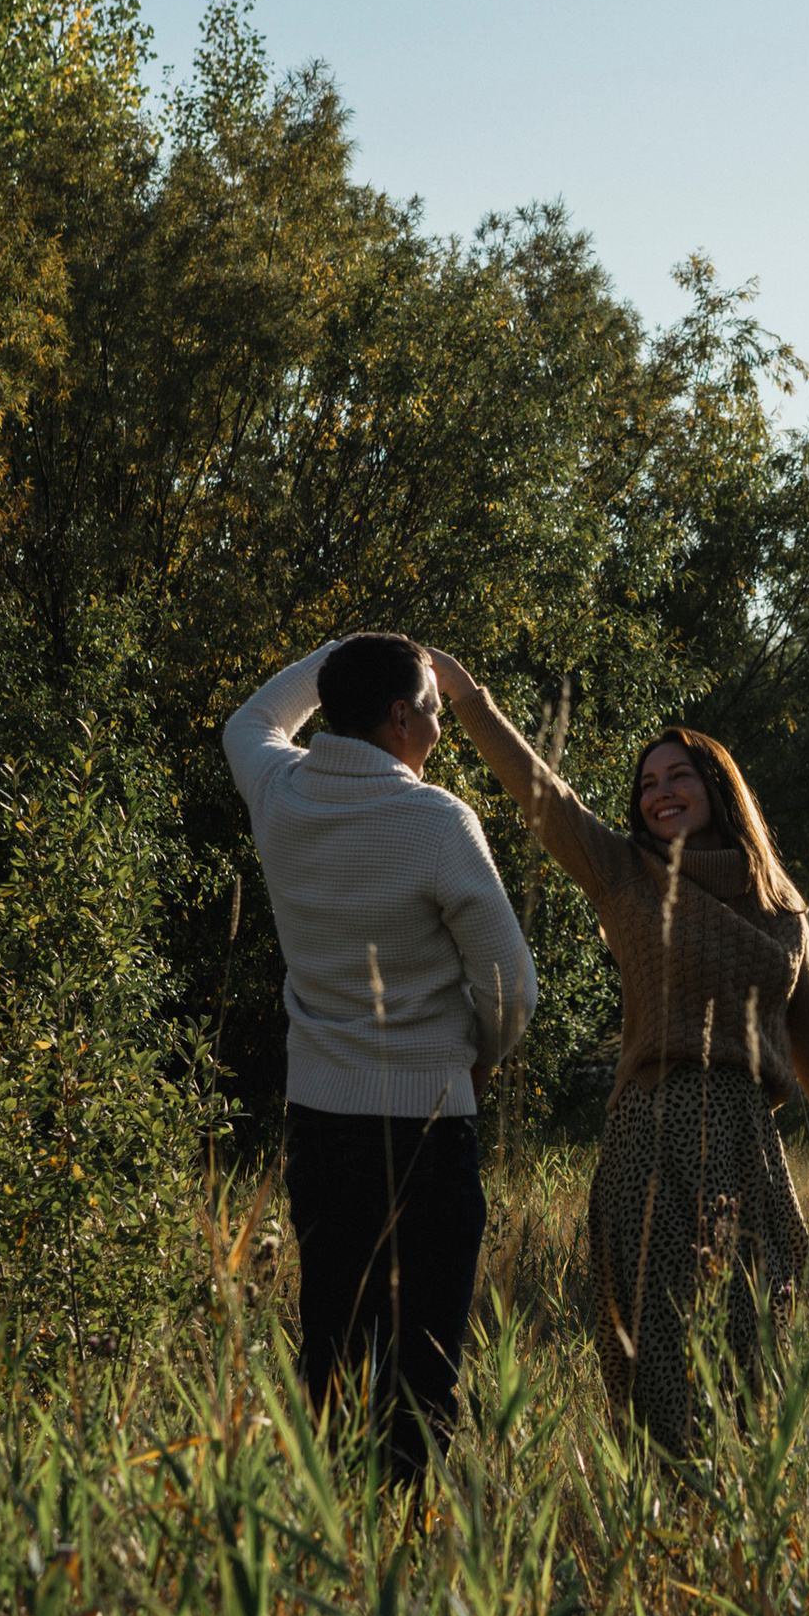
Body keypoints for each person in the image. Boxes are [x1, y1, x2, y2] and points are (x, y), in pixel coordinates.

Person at [427, 652, 809, 1456]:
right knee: (660, 1353)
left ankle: (737, 1530)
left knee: (751, 1356)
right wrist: (468, 697)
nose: (659, 792)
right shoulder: (624, 874)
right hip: (653, 1137)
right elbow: (543, 795)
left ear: (718, 787)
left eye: (678, 777)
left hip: (750, 1149)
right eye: (647, 783)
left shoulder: (782, 908)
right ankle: (664, 1519)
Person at [222, 633, 536, 1479]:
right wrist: (478, 1057)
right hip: (430, 1131)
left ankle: (339, 1541)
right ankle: (406, 1547)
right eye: (433, 712)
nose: (438, 729)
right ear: (399, 717)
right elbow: (512, 988)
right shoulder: (438, 822)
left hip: (322, 1125)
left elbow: (251, 718)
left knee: (335, 1354)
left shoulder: (280, 792)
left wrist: (335, 653)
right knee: (424, 1366)